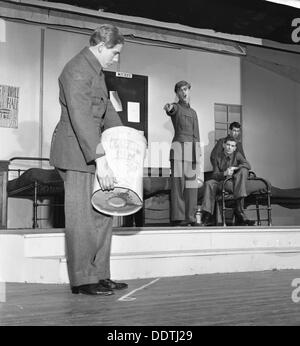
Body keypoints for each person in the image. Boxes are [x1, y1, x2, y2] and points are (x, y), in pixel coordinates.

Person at [50, 24, 128, 295]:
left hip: (93, 150)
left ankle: (100, 274)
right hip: (75, 154)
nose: (116, 59)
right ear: (100, 47)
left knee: (103, 212)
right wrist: (101, 160)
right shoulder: (77, 70)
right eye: (115, 53)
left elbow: (106, 109)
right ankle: (83, 280)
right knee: (82, 218)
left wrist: (126, 139)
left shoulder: (96, 70)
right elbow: (82, 118)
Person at [164, 81, 201, 226]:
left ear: (189, 91)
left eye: (186, 90)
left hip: (191, 152)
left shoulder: (194, 112)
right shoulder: (176, 108)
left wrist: (197, 153)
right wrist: (169, 107)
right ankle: (179, 218)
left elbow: (196, 134)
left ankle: (190, 218)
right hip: (178, 151)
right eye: (181, 90)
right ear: (177, 93)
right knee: (178, 186)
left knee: (192, 187)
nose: (184, 93)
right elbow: (170, 110)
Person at [201, 136, 255, 226]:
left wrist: (236, 167)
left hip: (234, 181)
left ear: (235, 148)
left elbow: (247, 165)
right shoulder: (217, 157)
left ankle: (239, 211)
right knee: (209, 183)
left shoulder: (237, 155)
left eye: (232, 146)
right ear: (223, 145)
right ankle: (207, 215)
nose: (230, 147)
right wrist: (224, 173)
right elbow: (215, 174)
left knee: (244, 169)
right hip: (221, 181)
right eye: (228, 145)